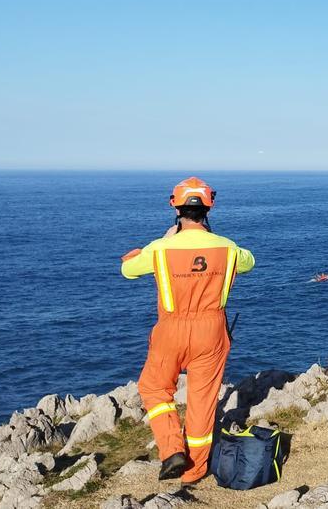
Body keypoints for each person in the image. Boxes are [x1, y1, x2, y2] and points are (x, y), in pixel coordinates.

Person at [120, 177, 255, 483]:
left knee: (154, 388)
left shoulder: (161, 247)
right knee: (202, 401)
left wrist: (163, 240)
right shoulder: (228, 247)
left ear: (175, 206)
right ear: (210, 206)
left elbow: (128, 271)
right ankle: (193, 472)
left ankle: (171, 450)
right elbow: (249, 261)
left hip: (171, 329)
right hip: (212, 329)